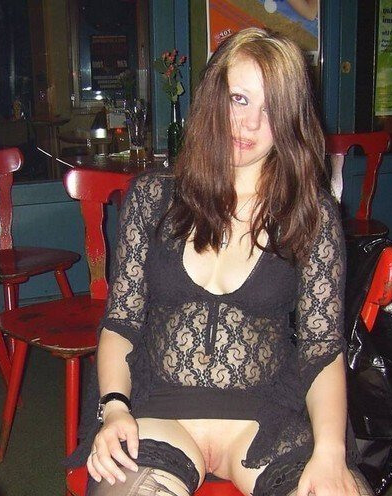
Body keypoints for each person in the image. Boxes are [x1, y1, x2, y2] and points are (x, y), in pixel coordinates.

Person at [74, 27, 372, 496]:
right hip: (159, 410)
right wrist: (114, 407)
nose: (250, 124)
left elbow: (322, 348)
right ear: (215, 96)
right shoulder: (152, 198)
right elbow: (121, 322)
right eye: (240, 99)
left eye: (270, 109)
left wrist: (330, 451)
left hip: (268, 416)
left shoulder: (310, 214)